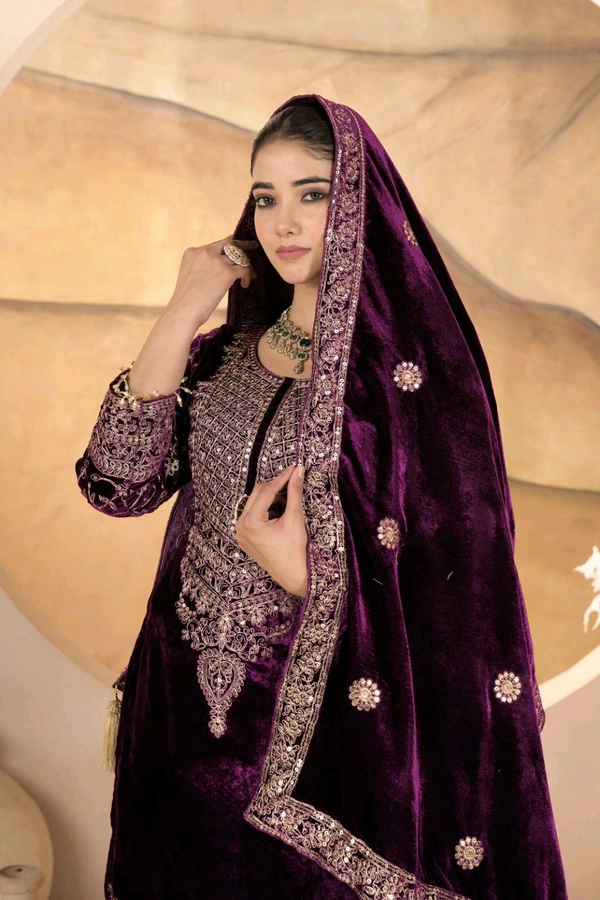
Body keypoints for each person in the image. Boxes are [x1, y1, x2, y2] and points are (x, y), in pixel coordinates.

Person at [75, 94, 568, 900]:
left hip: (323, 760)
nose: (284, 222)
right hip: (176, 719)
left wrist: (303, 575)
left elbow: (460, 612)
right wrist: (184, 307)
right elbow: (117, 485)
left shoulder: (413, 389)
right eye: (265, 197)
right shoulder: (224, 352)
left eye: (312, 193)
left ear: (360, 204)